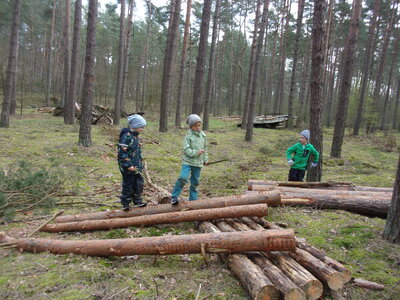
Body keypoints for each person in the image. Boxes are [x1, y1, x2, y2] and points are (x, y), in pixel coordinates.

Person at [171, 114, 208, 205]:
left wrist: (205, 159)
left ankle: (193, 201)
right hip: (187, 162)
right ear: (191, 126)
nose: (198, 127)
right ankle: (174, 197)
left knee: (195, 182)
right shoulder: (188, 136)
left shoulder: (203, 136)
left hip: (198, 163)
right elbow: (186, 150)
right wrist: (196, 152)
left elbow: (205, 149)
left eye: (199, 125)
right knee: (183, 178)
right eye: (195, 126)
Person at [117, 114, 147, 211]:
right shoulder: (126, 137)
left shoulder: (135, 136)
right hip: (128, 167)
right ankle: (125, 203)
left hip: (136, 166)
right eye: (141, 127)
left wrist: (140, 163)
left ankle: (137, 201)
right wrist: (128, 165)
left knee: (139, 183)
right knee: (128, 184)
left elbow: (136, 152)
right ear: (135, 126)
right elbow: (122, 153)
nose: (142, 129)